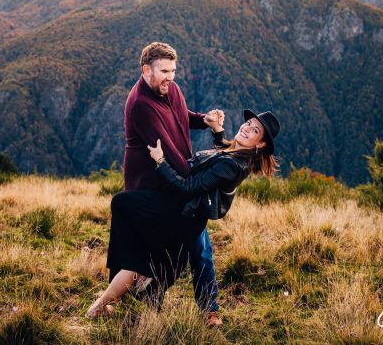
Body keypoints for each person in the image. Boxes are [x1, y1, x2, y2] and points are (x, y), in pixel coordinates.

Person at [86, 109, 280, 320]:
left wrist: (160, 161)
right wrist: (217, 130)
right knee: (189, 254)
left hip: (183, 212)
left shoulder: (233, 165)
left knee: (128, 213)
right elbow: (221, 150)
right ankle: (193, 305)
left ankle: (103, 305)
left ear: (260, 144)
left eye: (255, 130)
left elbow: (187, 187)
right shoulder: (234, 152)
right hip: (187, 212)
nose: (246, 128)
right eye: (248, 123)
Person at [122, 42, 225, 325]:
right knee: (183, 247)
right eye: (164, 71)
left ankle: (205, 308)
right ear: (146, 70)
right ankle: (196, 307)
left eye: (174, 70)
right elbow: (166, 151)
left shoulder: (170, 89)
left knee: (194, 246)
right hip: (156, 185)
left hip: (177, 181)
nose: (171, 76)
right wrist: (200, 181)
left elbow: (181, 117)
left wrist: (203, 120)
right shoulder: (141, 105)